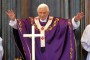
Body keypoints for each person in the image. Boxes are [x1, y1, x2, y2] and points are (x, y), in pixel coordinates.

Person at [6, 3, 84, 60]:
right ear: (37, 12)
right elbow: (19, 26)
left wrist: (76, 19)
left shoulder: (56, 21)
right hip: (36, 52)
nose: (42, 14)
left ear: (48, 12)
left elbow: (69, 24)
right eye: (40, 12)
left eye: (44, 12)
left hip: (53, 53)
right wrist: (13, 19)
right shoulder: (30, 22)